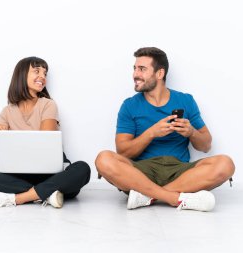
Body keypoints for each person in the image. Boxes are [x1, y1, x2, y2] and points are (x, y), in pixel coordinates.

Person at [95, 47, 235, 212]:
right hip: (141, 172)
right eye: (134, 68)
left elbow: (206, 146)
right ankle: (174, 198)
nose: (135, 74)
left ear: (160, 74)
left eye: (142, 69)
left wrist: (191, 132)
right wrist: (151, 133)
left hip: (180, 171)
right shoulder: (129, 105)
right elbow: (123, 152)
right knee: (103, 159)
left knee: (226, 164)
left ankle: (147, 196)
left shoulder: (185, 100)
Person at [0, 56, 90, 208]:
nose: (42, 76)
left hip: (49, 173)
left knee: (82, 169)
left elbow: (45, 142)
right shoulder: (7, 111)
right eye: (37, 71)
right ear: (22, 75)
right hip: (19, 174)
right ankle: (48, 193)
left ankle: (18, 198)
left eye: (45, 73)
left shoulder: (48, 104)